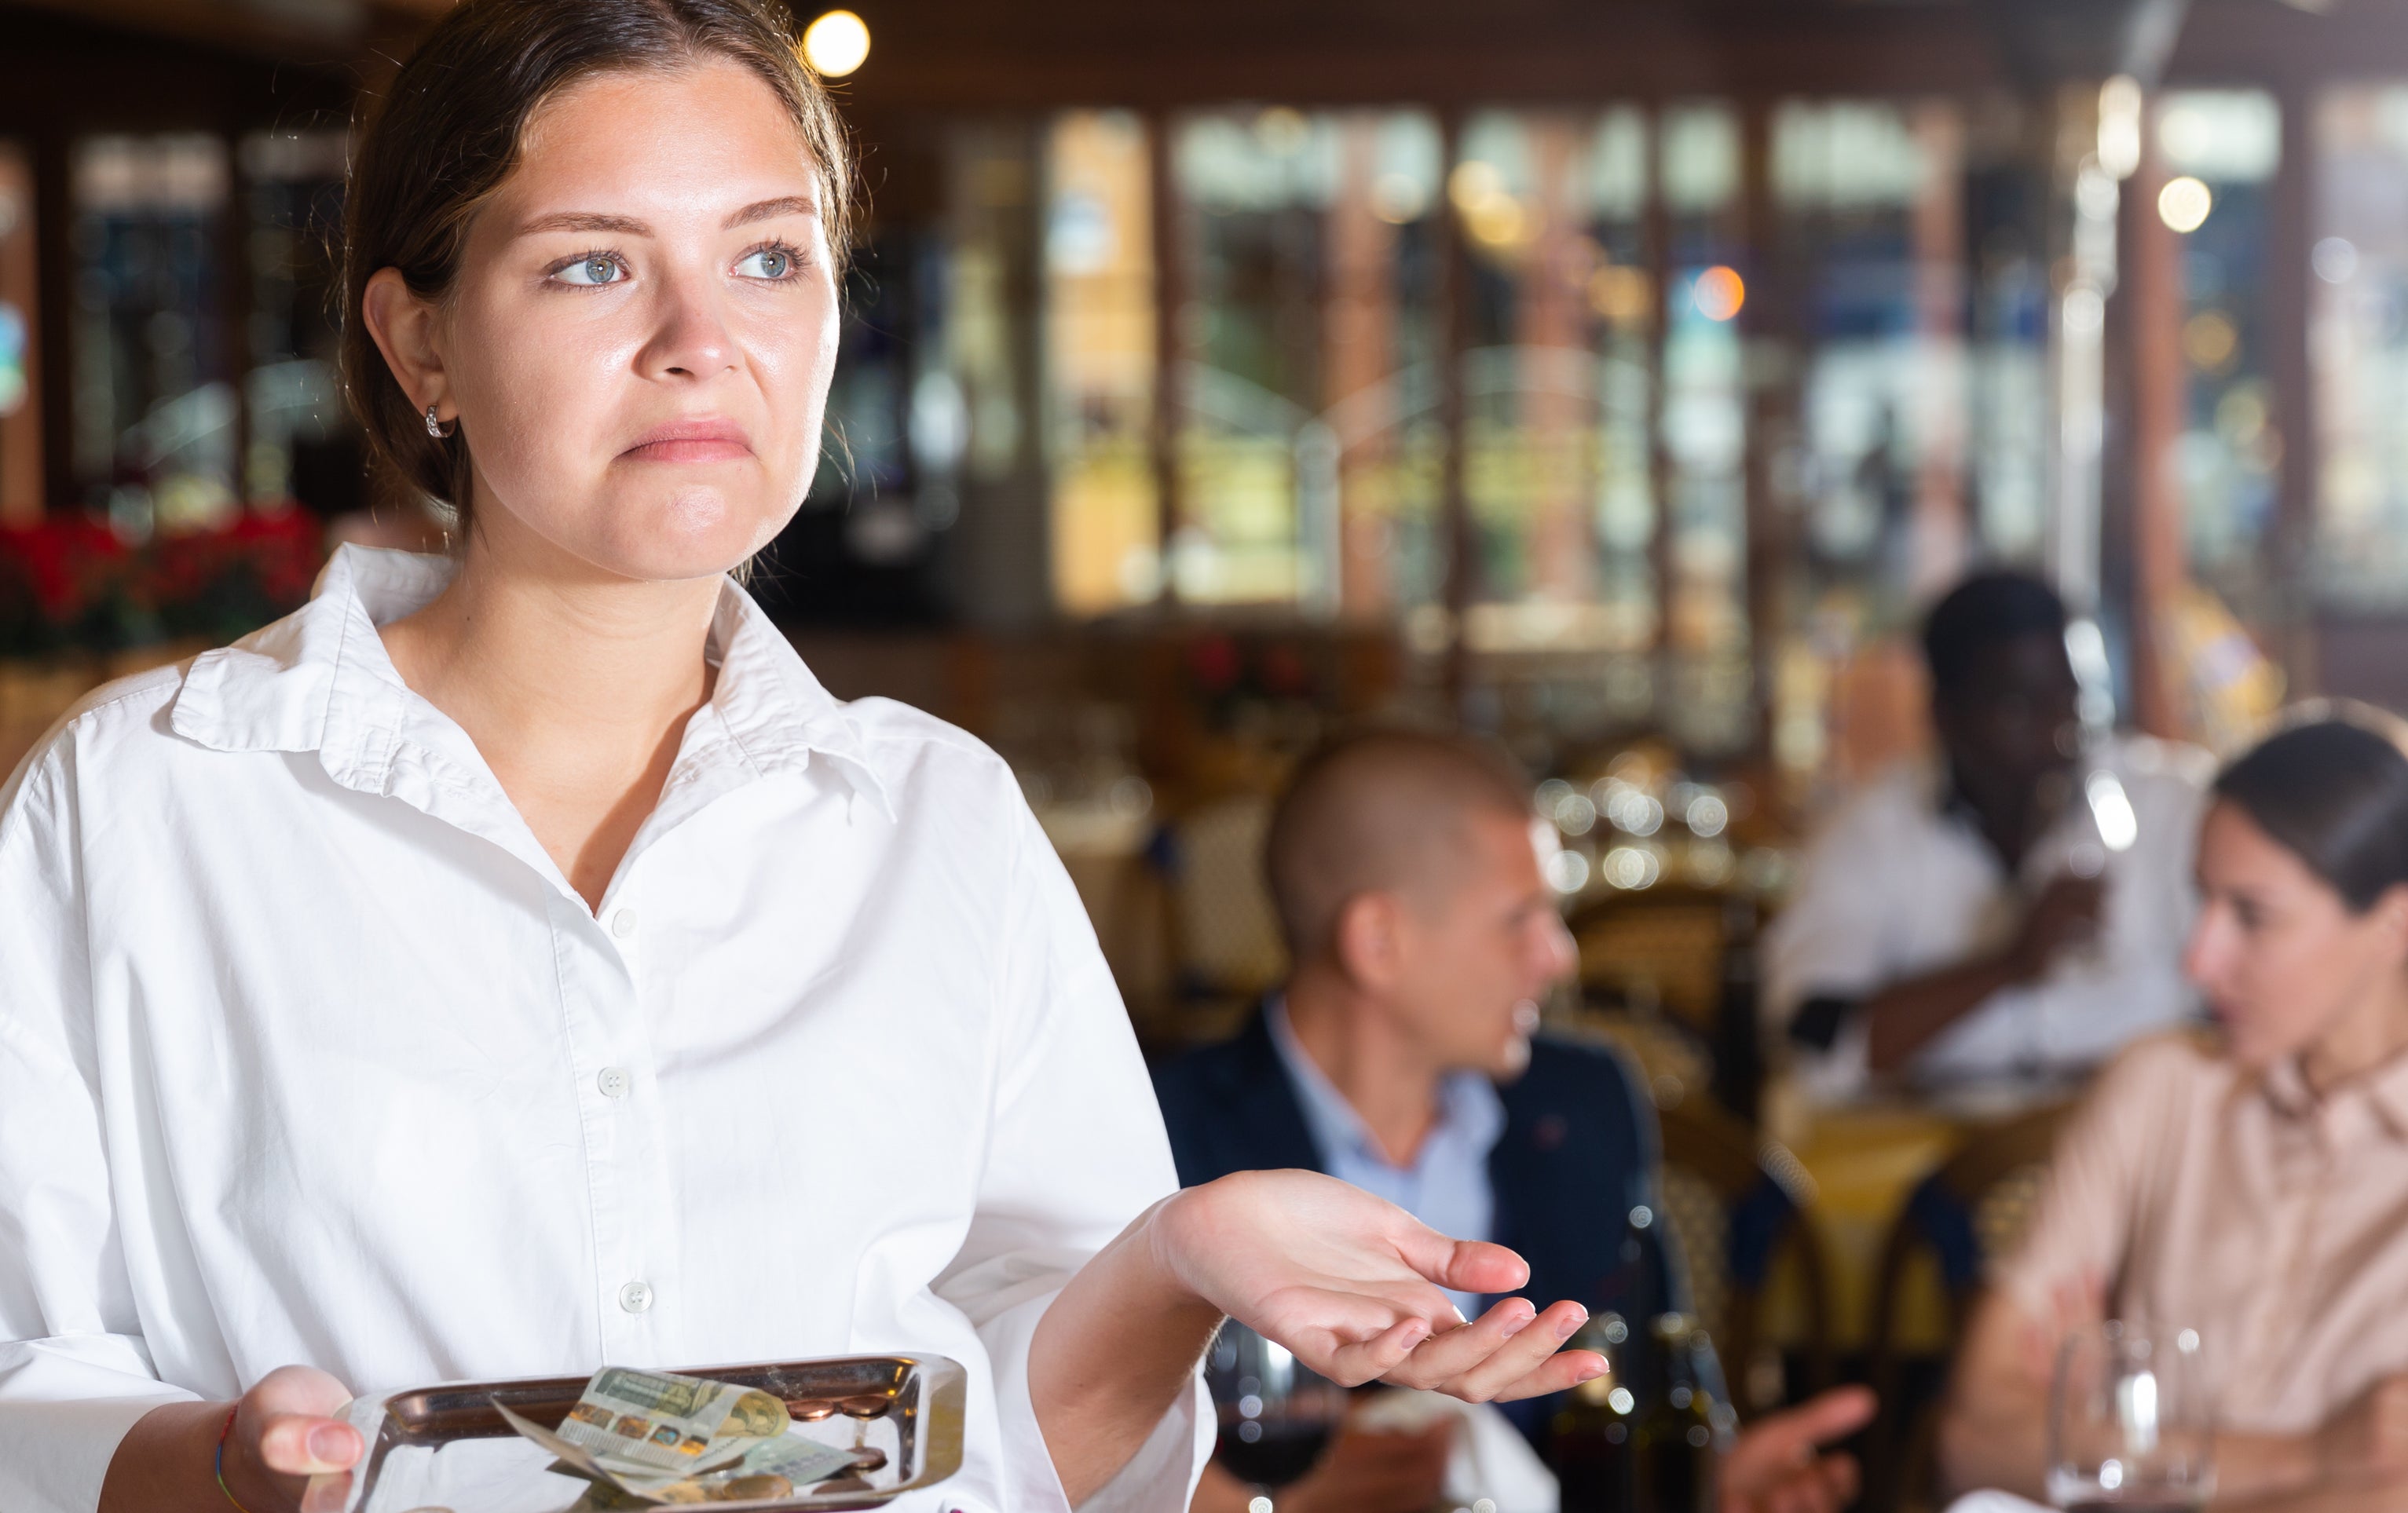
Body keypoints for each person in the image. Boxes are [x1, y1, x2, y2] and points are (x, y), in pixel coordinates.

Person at [0, 7, 1605, 1511]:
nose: (705, 341)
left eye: (770, 256)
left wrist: (1181, 1260)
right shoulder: (147, 798)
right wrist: (216, 1467)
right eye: (590, 268)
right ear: (422, 344)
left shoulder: (939, 820)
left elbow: (994, 1463)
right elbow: (21, 1378)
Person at [1152, 729, 1876, 1513]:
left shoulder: (1583, 1100)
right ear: (1378, 941)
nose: (1561, 956)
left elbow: (1651, 1380)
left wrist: (1704, 1478)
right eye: (1521, 918)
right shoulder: (1164, 1132)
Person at [1940, 708, 2408, 1507]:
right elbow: (1972, 1441)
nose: (2199, 959)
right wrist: (2312, 1457)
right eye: (2202, 901)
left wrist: (2104, 1444)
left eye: (2252, 916)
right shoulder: (2160, 1088)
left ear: (2394, 923)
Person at [1762, 572, 2209, 1104]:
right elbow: (1817, 1043)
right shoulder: (1868, 834)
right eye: (2019, 707)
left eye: (2070, 699)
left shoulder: (2170, 808)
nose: (2056, 730)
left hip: (2139, 1139)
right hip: (1939, 1160)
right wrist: (2009, 964)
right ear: (1944, 715)